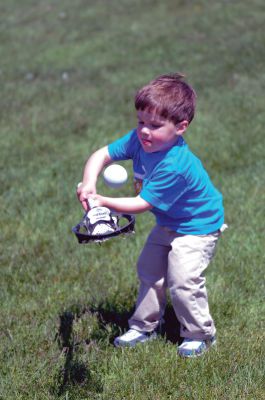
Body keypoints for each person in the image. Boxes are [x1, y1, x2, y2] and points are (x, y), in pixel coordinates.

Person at [76, 73, 226, 357]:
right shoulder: (139, 140)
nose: (145, 131)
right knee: (149, 270)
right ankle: (144, 327)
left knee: (183, 279)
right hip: (170, 221)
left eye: (156, 126)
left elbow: (142, 203)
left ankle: (200, 335)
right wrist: (89, 183)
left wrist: (101, 202)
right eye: (141, 122)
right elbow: (101, 155)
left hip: (198, 226)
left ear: (181, 127)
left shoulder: (176, 165)